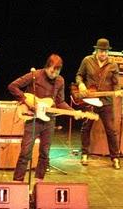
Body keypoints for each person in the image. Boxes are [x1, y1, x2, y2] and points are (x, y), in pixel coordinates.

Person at [8, 54, 83, 182]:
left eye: (57, 71)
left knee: (45, 153)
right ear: (47, 67)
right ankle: (17, 182)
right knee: (25, 152)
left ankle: (39, 182)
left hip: (49, 119)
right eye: (52, 71)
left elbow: (60, 102)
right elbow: (12, 86)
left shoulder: (60, 81)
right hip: (33, 119)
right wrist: (26, 100)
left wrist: (73, 112)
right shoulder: (34, 75)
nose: (54, 74)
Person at [75, 38, 123, 169]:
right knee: (86, 127)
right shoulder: (87, 60)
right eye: (101, 51)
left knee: (111, 130)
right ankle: (84, 153)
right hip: (91, 100)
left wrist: (117, 91)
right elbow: (79, 75)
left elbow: (116, 82)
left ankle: (115, 158)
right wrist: (81, 84)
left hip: (106, 102)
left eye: (106, 51)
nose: (103, 54)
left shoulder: (113, 64)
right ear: (96, 50)